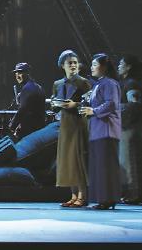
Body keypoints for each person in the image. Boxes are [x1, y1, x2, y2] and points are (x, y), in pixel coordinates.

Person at [80, 54, 122, 209]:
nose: (91, 67)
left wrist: (94, 111)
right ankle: (103, 199)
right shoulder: (99, 84)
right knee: (99, 165)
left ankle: (107, 199)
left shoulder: (109, 83)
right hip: (98, 130)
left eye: (94, 64)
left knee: (105, 166)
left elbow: (111, 103)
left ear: (103, 67)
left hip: (106, 130)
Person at [52, 49, 91, 208]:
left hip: (78, 123)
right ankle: (73, 195)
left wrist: (75, 104)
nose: (73, 65)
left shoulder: (84, 83)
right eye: (70, 63)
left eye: (75, 62)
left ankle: (82, 195)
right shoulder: (58, 84)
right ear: (63, 66)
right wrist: (55, 104)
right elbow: (54, 105)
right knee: (67, 160)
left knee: (78, 159)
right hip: (65, 124)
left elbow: (91, 103)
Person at [118, 54, 142, 204]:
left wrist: (117, 108)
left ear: (128, 67)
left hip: (130, 127)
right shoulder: (127, 82)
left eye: (121, 63)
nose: (119, 66)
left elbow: (135, 104)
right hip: (128, 126)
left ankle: (134, 194)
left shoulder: (131, 84)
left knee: (129, 161)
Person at [8, 62, 46, 140]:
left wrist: (12, 125)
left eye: (20, 72)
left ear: (27, 73)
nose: (17, 76)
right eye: (16, 73)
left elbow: (22, 109)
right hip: (39, 128)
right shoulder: (38, 87)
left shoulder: (27, 88)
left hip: (30, 130)